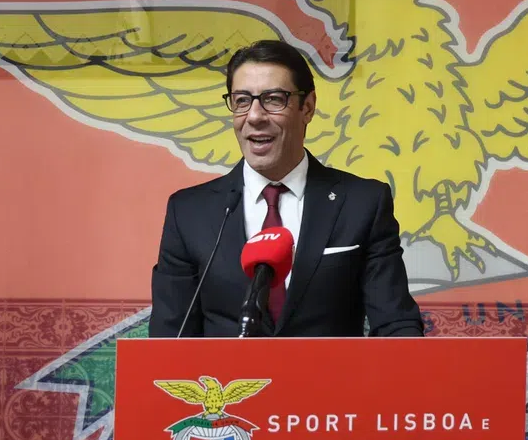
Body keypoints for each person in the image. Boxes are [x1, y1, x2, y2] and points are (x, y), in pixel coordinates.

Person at [149, 40, 425, 338]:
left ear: (307, 107)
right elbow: (169, 340)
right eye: (242, 100)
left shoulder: (362, 203)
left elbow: (397, 326)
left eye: (273, 99)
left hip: (330, 384)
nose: (254, 116)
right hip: (227, 385)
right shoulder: (189, 212)